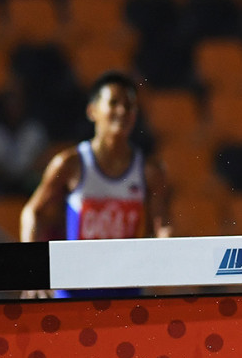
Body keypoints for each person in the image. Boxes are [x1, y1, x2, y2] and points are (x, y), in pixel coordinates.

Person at [20, 70, 171, 298]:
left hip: (126, 286)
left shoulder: (150, 171)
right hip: (75, 286)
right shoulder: (70, 164)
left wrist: (167, 260)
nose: (122, 111)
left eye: (129, 106)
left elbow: (163, 226)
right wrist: (32, 271)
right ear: (92, 111)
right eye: (113, 103)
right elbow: (32, 211)